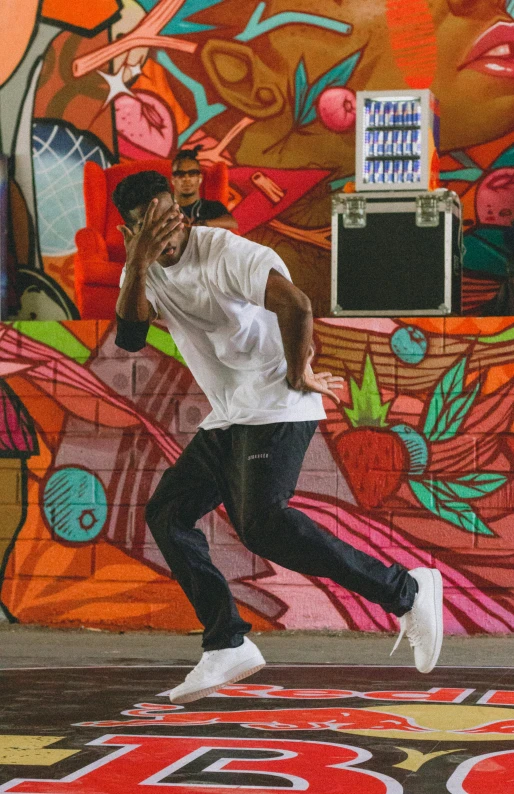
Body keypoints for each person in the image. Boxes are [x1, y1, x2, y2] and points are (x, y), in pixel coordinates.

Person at [113, 170, 443, 705]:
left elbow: (296, 304)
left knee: (262, 523)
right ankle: (226, 644)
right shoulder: (145, 271)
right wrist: (137, 261)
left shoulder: (224, 252)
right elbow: (129, 337)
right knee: (167, 514)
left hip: (278, 401)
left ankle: (407, 591)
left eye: (172, 214)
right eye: (152, 225)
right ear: (134, 233)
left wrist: (296, 375)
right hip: (231, 414)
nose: (170, 229)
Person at [171, 145, 238, 231]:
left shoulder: (212, 206)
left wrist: (204, 224)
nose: (186, 179)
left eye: (192, 173)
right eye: (180, 174)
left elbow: (233, 223)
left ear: (200, 178)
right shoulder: (166, 206)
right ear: (173, 179)